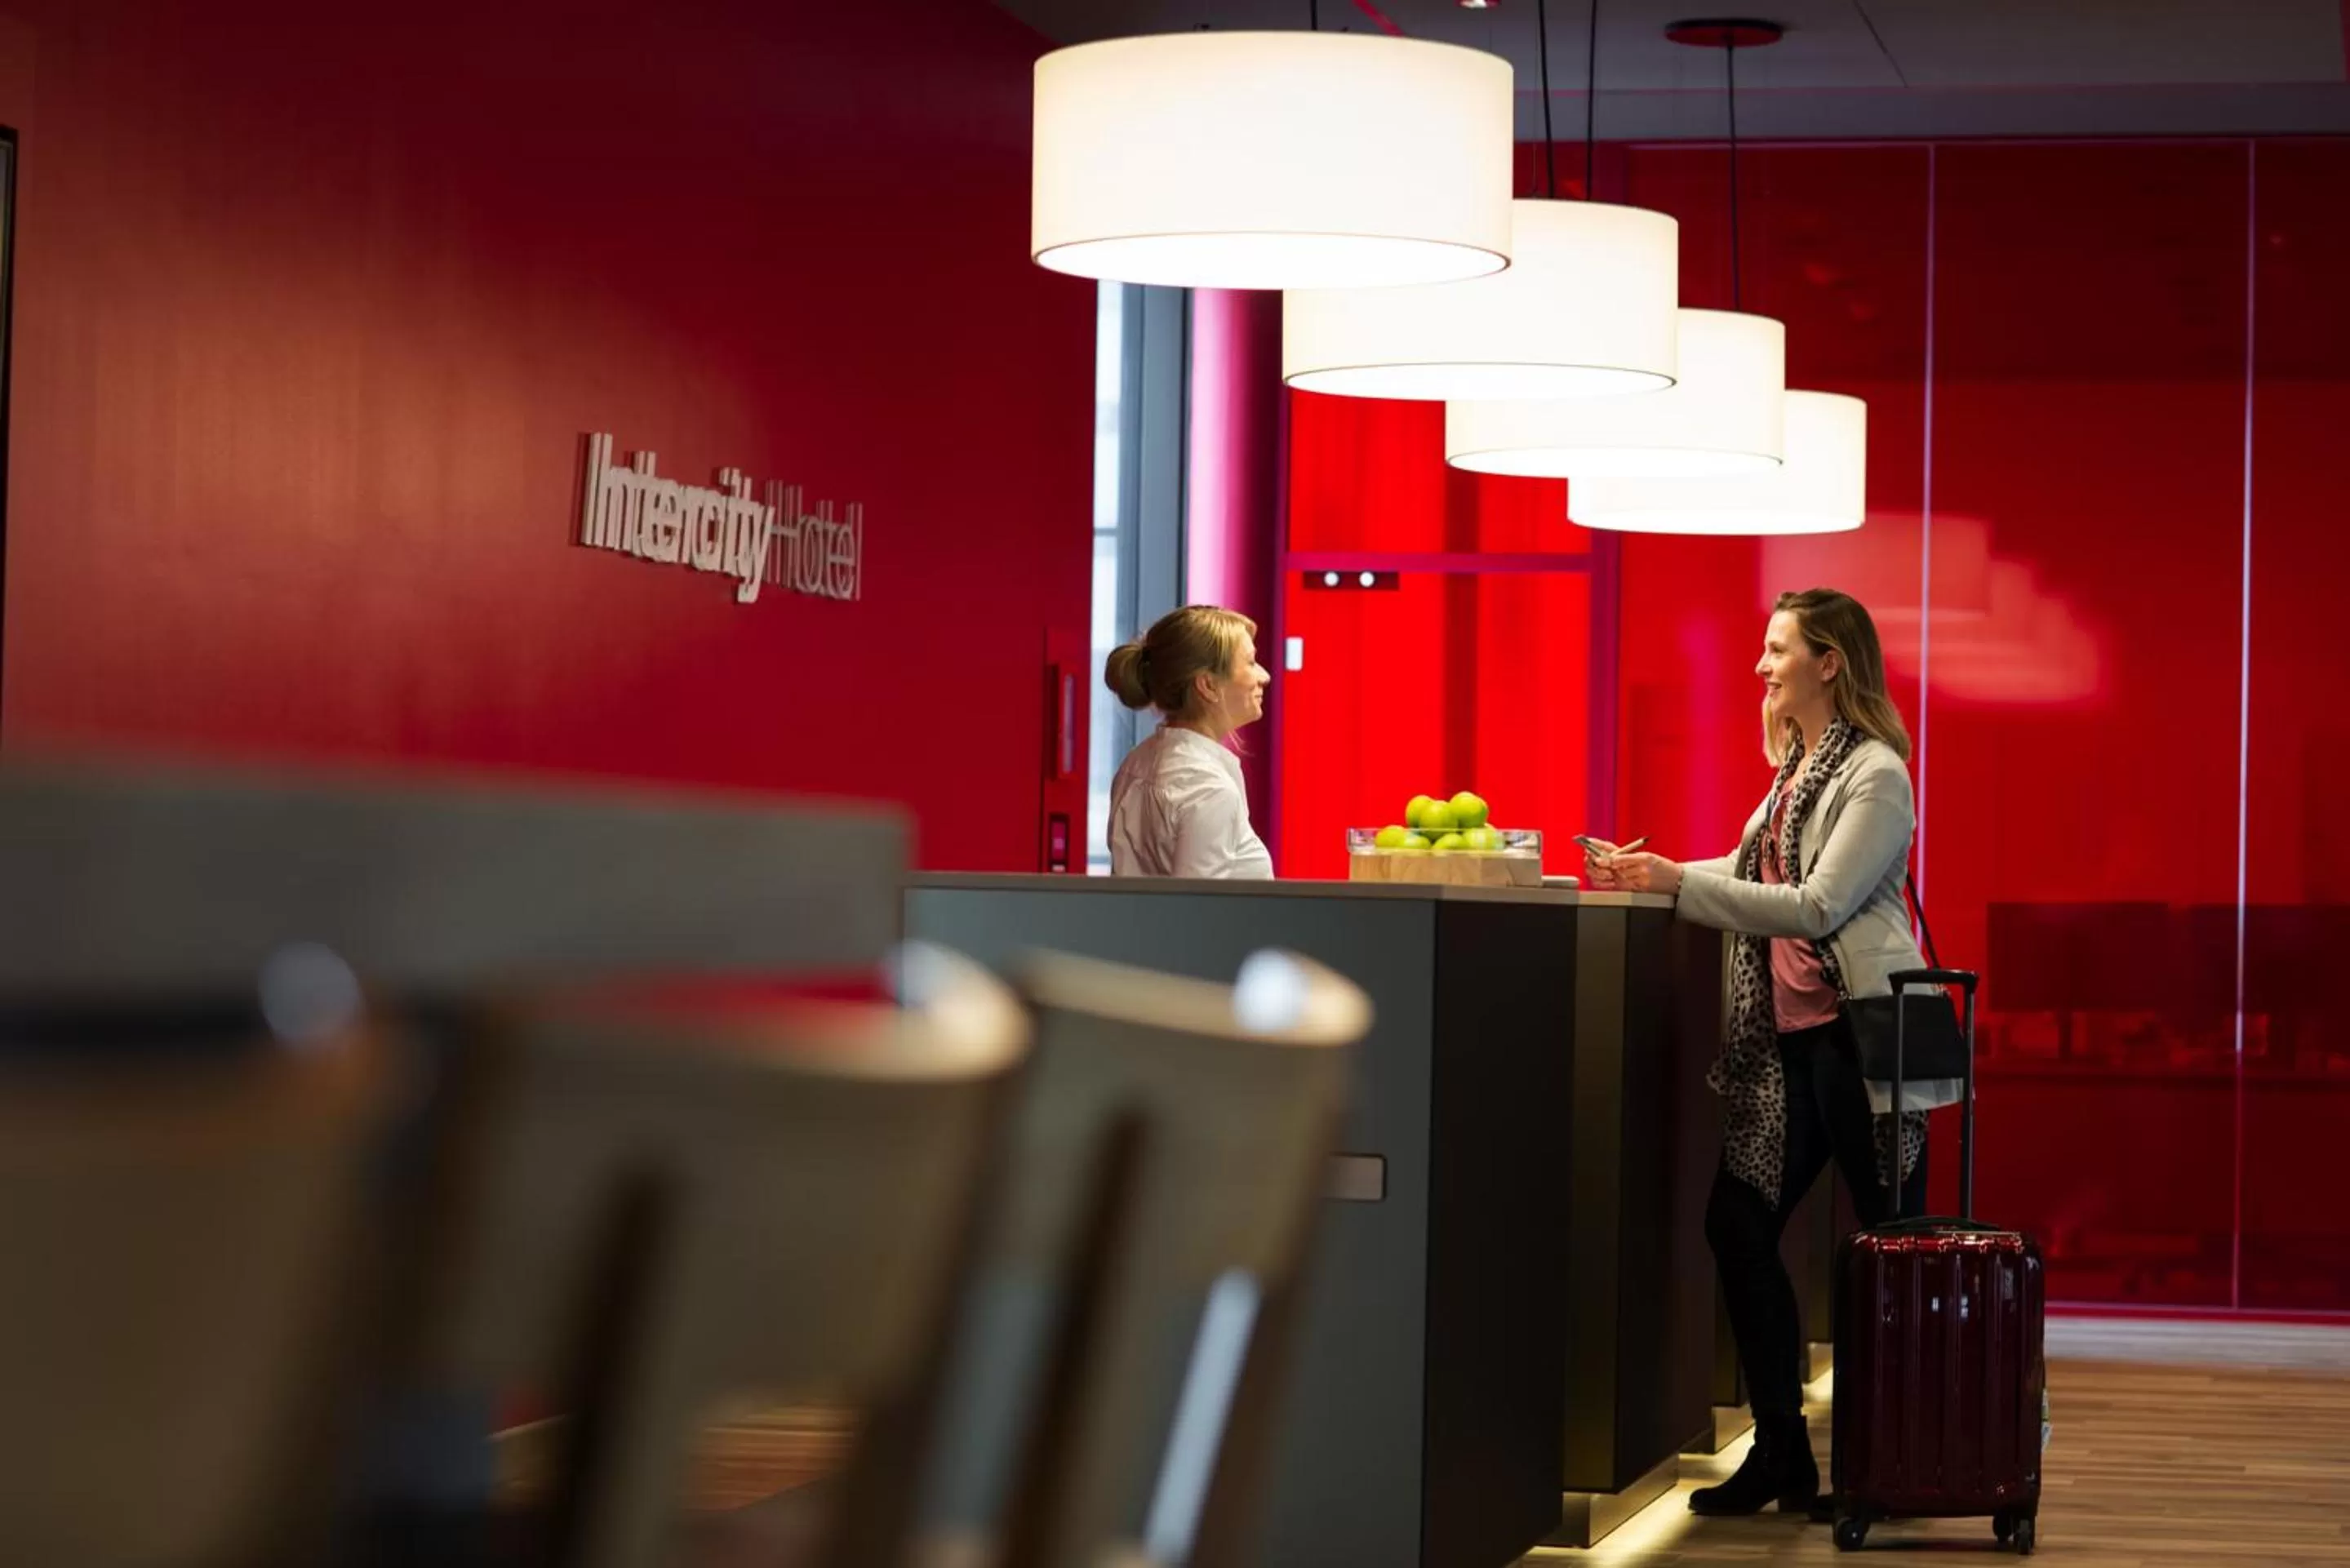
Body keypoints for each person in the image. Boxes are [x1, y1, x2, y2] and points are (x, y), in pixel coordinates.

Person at [1586, 587, 1960, 1517]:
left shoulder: (1873, 771)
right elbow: (1760, 871)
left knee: (1888, 1258)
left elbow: (1817, 904)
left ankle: (1897, 1461)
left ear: (1829, 662)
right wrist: (1659, 871)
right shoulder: (1797, 769)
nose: (1760, 666)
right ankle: (1783, 1456)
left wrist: (1679, 886)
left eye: (1776, 648)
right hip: (1789, 1047)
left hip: (1859, 1044)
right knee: (1737, 1226)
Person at [1104, 605, 1273, 880]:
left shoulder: (1134, 765)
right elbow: (1199, 914)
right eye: (1251, 662)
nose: (1264, 676)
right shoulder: (1210, 791)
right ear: (1207, 686)